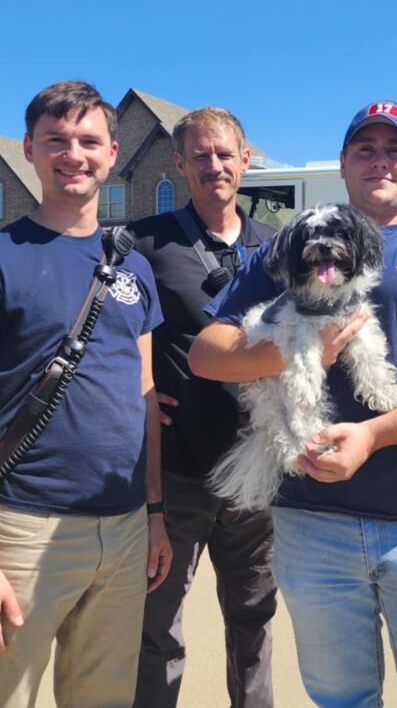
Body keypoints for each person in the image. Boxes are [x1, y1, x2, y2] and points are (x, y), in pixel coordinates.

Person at [189, 101, 397, 707]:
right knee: (340, 700)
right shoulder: (292, 249)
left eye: (393, 150)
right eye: (364, 150)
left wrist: (374, 435)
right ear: (343, 166)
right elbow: (208, 353)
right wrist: (304, 352)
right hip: (311, 527)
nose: (379, 162)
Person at [0, 80, 172, 707]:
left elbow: (144, 394)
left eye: (89, 141)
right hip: (21, 529)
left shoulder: (132, 266)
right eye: (56, 140)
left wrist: (154, 513)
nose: (74, 154)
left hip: (121, 530)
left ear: (113, 153)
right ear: (30, 150)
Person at [131, 107, 278, 708]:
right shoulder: (146, 243)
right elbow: (112, 328)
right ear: (180, 163)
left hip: (259, 476)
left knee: (254, 623)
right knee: (158, 629)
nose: (213, 166)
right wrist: (131, 390)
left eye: (225, 154)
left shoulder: (279, 245)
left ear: (246, 160)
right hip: (182, 472)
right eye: (199, 155)